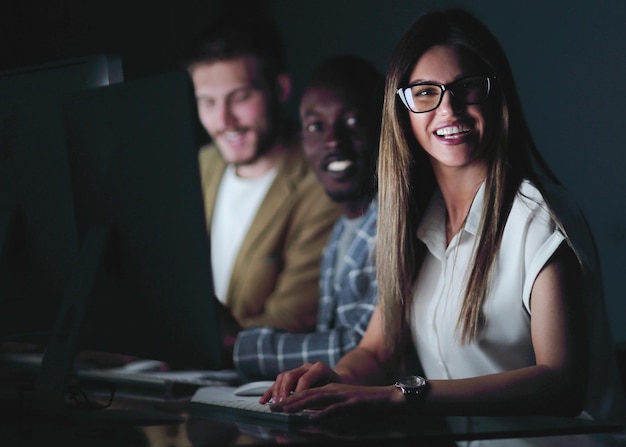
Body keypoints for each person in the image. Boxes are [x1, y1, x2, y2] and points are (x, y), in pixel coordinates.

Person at [263, 8, 626, 433]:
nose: (448, 108)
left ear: (495, 94)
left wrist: (401, 395)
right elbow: (376, 350)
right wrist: (336, 380)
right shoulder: (416, 222)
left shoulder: (537, 216)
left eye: (467, 87)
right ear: (402, 110)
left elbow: (561, 383)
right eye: (424, 93)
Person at [184, 17, 340, 342]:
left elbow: (290, 320)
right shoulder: (199, 165)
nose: (224, 121)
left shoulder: (323, 184)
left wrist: (188, 340)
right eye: (207, 102)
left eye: (240, 97)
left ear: (279, 89)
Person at [232, 55, 383, 380]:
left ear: (384, 127)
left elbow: (360, 348)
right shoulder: (341, 229)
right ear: (303, 141)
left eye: (353, 121)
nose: (333, 141)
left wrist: (236, 344)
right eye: (316, 126)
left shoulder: (395, 227)